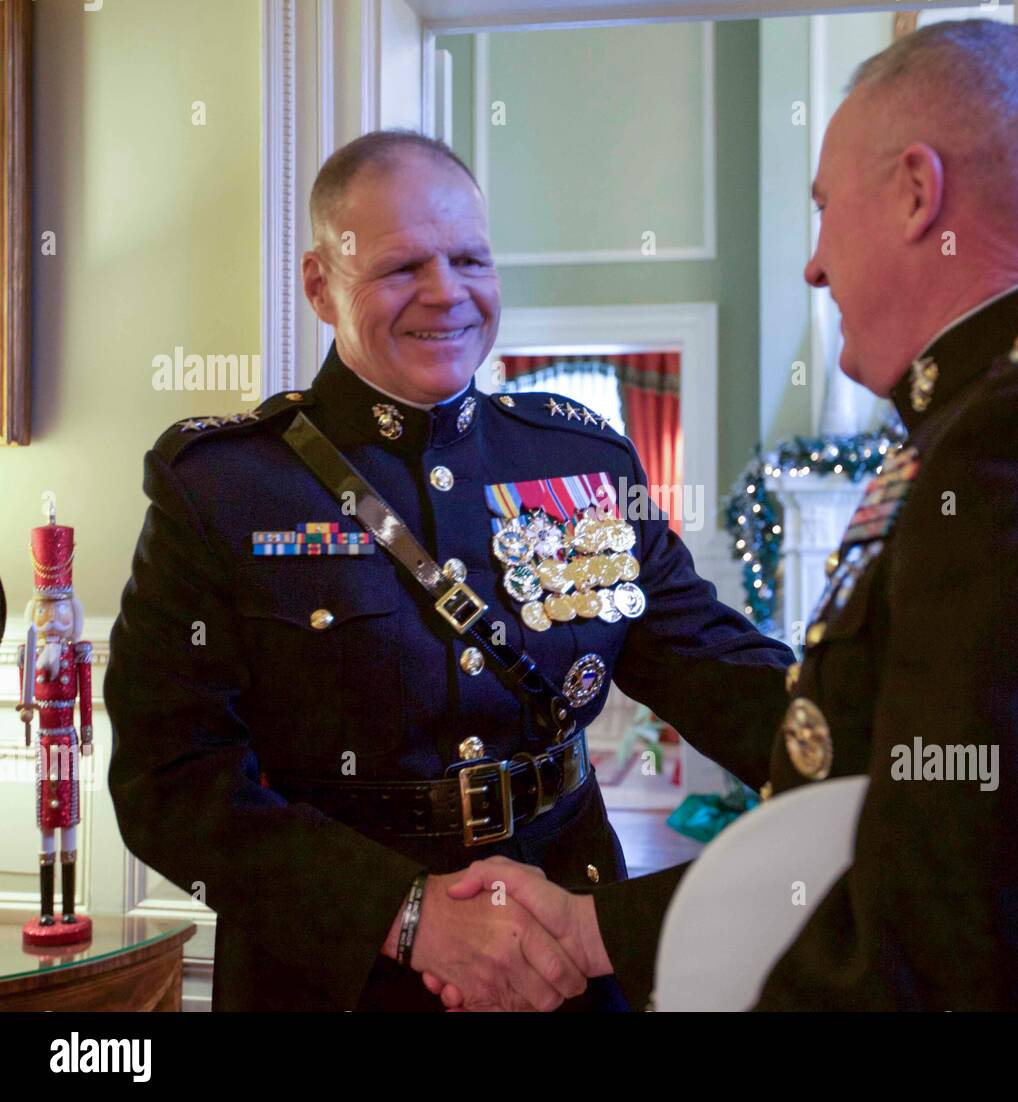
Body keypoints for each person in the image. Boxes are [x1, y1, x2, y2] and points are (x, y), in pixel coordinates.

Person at [432, 19, 1018, 1011]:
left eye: (825, 210)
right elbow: (875, 802)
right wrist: (590, 929)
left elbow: (964, 946)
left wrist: (609, 942)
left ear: (919, 193)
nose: (814, 264)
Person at [104, 130, 793, 1012]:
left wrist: (872, 757)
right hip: (336, 970)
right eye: (402, 269)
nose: (447, 294)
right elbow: (171, 778)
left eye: (471, 259)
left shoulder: (579, 458)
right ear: (321, 284)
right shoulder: (226, 488)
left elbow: (710, 663)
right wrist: (403, 914)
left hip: (565, 942)